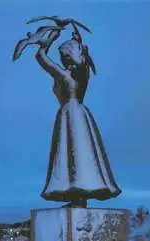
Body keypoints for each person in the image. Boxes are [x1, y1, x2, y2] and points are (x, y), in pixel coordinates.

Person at [30, 28, 121, 207]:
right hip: (79, 114)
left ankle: (77, 197)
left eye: (64, 56)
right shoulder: (82, 73)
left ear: (68, 56)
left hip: (70, 114)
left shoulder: (65, 75)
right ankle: (78, 197)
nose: (62, 60)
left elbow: (44, 61)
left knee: (72, 152)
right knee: (78, 152)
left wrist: (43, 47)